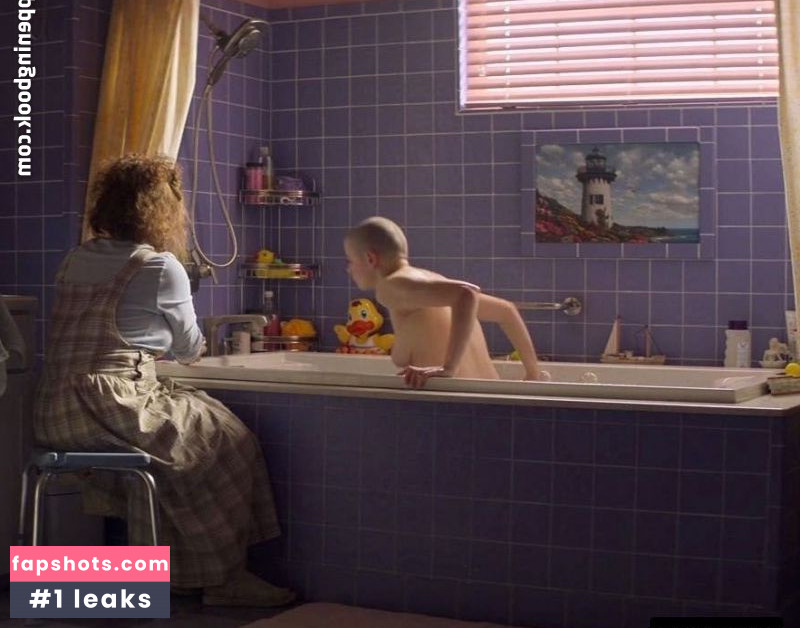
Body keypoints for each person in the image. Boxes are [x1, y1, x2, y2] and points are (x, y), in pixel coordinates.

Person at [33, 154, 294, 608]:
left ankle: (165, 578)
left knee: (176, 447)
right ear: (162, 210)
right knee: (227, 438)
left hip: (55, 410)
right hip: (114, 408)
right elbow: (190, 349)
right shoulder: (158, 266)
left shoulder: (74, 259)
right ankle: (224, 579)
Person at [343, 216, 541, 388]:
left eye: (350, 261)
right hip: (487, 397)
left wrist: (448, 368)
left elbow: (466, 293)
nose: (349, 269)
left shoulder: (391, 285)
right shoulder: (428, 284)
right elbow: (507, 311)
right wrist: (533, 373)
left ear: (370, 259)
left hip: (458, 403)